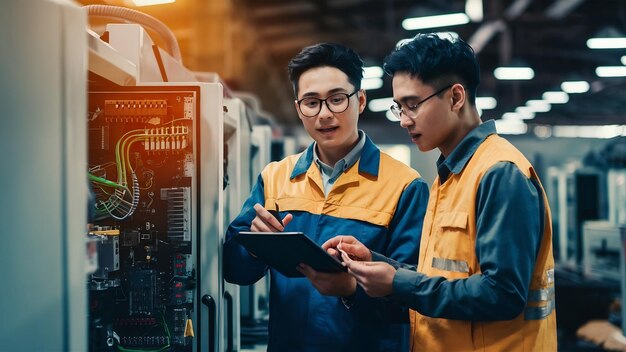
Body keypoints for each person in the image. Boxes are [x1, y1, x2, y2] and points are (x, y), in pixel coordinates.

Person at [324, 33, 557, 351]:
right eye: (398, 108)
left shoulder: (500, 173)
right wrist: (378, 264)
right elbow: (441, 276)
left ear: (456, 97)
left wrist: (396, 282)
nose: (404, 120)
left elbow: (503, 295)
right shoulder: (449, 176)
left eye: (413, 105)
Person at [223, 43, 429, 352]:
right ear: (298, 108)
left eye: (336, 100)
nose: (324, 114)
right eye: (311, 102)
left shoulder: (404, 186)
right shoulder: (275, 177)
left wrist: (351, 290)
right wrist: (254, 248)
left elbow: (415, 296)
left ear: (360, 101)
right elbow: (234, 271)